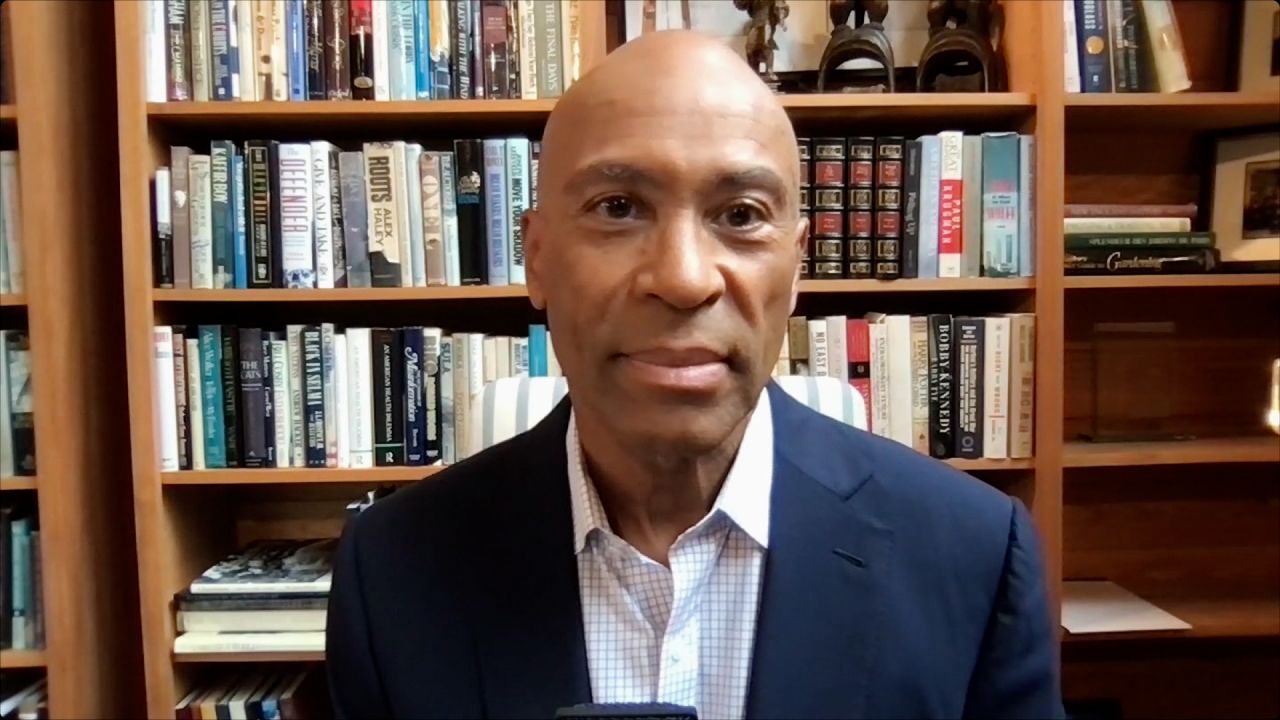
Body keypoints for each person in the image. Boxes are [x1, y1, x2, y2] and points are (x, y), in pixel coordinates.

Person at [326, 30, 1064, 720]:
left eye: (741, 215)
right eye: (618, 207)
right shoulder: (392, 572)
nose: (683, 279)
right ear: (538, 256)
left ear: (798, 265)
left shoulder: (972, 556)